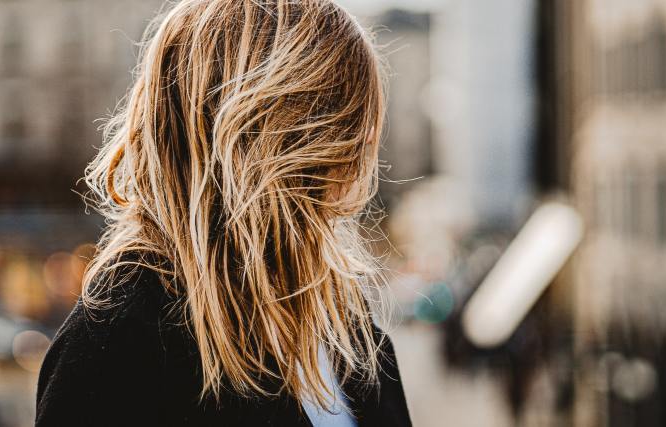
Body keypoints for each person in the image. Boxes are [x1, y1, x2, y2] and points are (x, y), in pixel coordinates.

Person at [35, 0, 411, 425]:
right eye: (343, 120)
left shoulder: (348, 327)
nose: (362, 149)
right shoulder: (117, 342)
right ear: (266, 134)